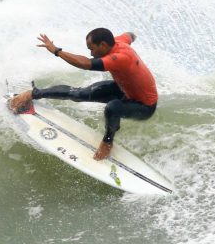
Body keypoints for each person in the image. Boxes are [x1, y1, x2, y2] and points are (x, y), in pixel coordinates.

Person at [9, 28, 158, 161]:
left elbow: (85, 64)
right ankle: (33, 94)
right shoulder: (118, 41)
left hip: (144, 105)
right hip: (123, 89)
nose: (91, 53)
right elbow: (129, 35)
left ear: (103, 45)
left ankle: (107, 141)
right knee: (78, 93)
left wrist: (57, 51)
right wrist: (134, 34)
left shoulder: (120, 58)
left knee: (113, 108)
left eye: (92, 49)